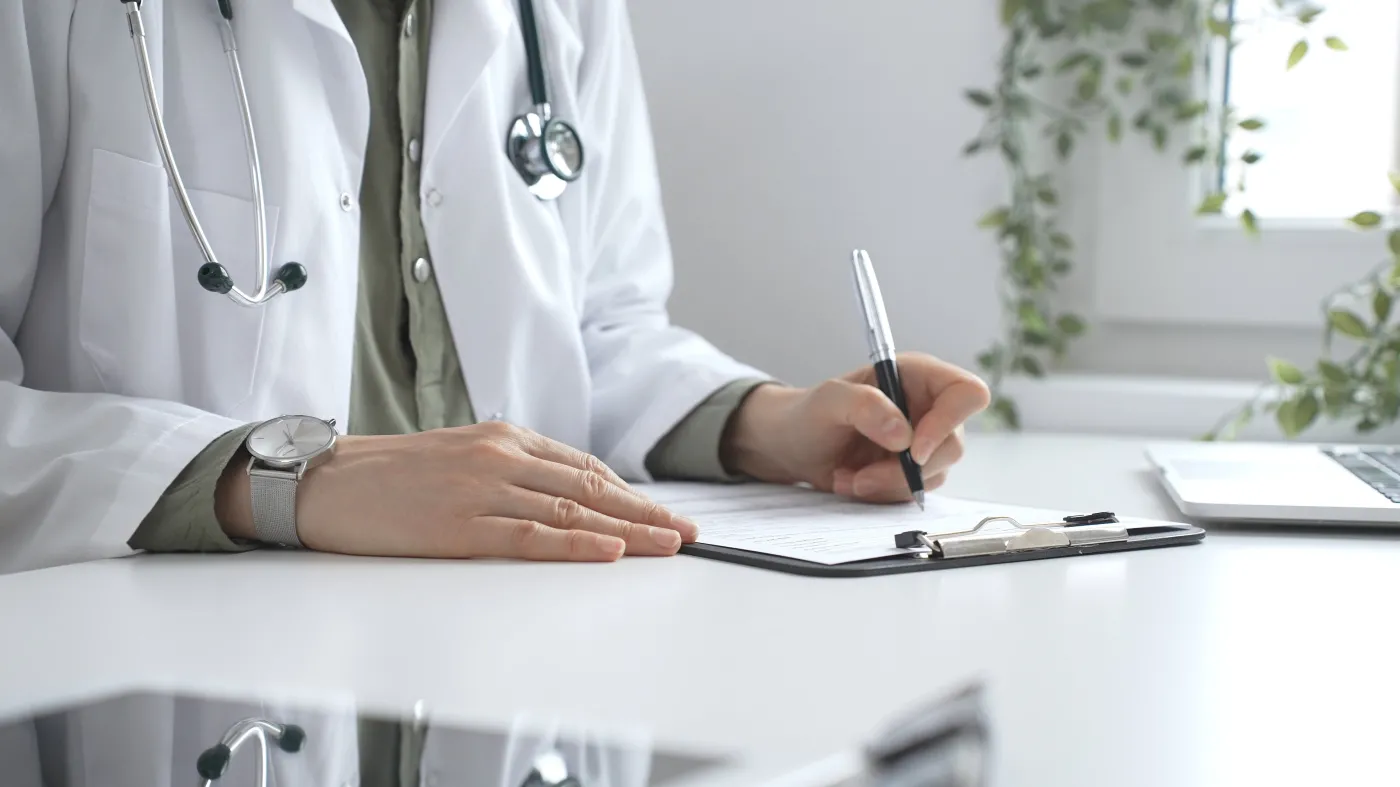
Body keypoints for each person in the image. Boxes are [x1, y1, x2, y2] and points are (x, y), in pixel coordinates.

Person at [0, 0, 988, 576]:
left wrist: (768, 424)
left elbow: (597, 322)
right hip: (178, 643)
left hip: (515, 625)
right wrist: (292, 481)